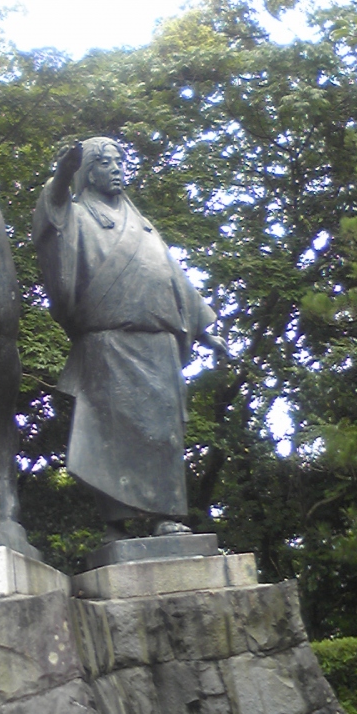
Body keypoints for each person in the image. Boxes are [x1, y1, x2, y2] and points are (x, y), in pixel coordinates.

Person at [32, 137, 226, 539]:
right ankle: (114, 522)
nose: (117, 168)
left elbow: (174, 276)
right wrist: (62, 175)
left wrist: (204, 327)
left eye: (120, 161)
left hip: (158, 344)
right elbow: (52, 212)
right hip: (108, 342)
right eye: (105, 163)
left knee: (163, 436)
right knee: (110, 434)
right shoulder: (76, 216)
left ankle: (164, 516)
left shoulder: (143, 225)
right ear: (88, 173)